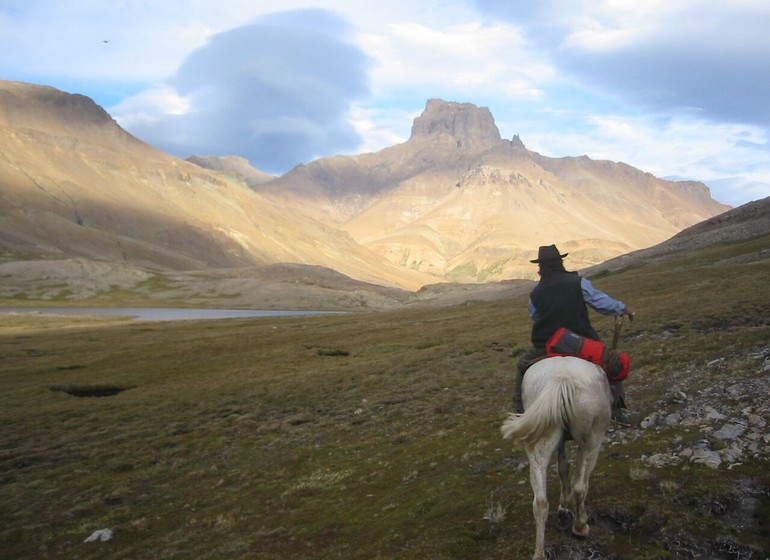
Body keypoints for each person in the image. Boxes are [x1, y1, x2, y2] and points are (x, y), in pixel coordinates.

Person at [514, 244, 634, 425]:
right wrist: (621, 308)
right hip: (580, 341)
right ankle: (618, 410)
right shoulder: (578, 283)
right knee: (612, 361)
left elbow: (536, 317)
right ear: (560, 262)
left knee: (522, 367)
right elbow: (601, 303)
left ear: (541, 267)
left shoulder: (535, 293)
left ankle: (520, 411)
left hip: (546, 345)